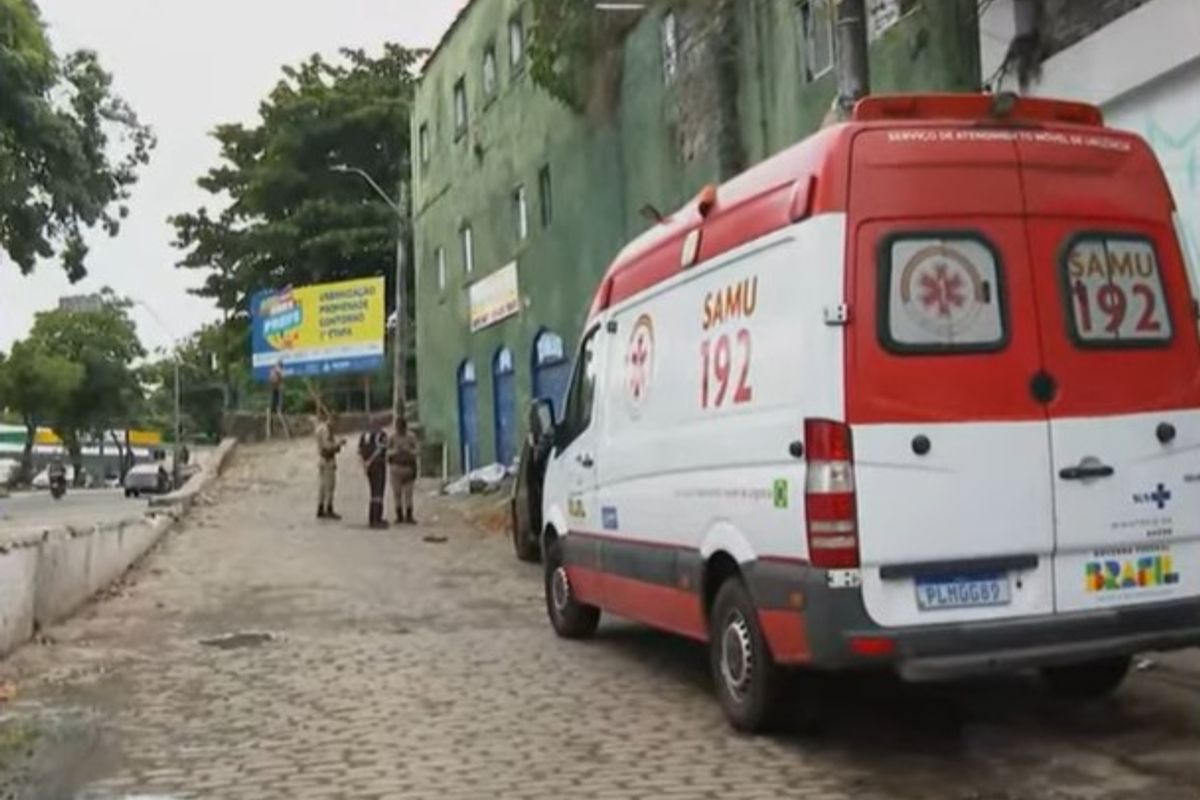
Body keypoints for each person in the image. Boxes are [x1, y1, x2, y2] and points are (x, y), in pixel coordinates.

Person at [358, 417, 389, 529]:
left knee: (373, 492)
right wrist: (370, 461)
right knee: (378, 492)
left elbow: (360, 452)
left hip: (369, 466)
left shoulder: (364, 435)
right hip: (378, 465)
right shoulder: (381, 435)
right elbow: (380, 449)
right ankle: (376, 518)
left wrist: (365, 465)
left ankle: (372, 517)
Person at [315, 409, 345, 520]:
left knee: (322, 486)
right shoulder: (326, 430)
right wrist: (338, 444)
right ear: (333, 420)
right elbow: (327, 446)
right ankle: (328, 508)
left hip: (322, 459)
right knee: (329, 486)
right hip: (327, 459)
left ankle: (321, 507)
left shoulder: (321, 428)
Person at [388, 418, 419, 525]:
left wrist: (408, 451)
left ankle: (409, 515)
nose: (399, 430)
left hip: (408, 468)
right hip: (396, 468)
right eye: (398, 428)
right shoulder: (392, 438)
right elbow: (386, 452)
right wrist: (395, 451)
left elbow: (417, 451)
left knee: (408, 494)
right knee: (397, 493)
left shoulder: (411, 437)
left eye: (401, 428)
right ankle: (399, 515)